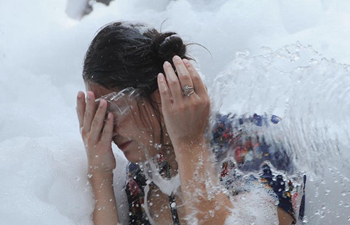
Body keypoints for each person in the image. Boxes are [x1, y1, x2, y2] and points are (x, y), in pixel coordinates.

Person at [76, 21, 305, 225]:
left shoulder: (256, 140)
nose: (108, 129)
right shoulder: (143, 178)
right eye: (96, 115)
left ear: (162, 92)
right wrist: (100, 172)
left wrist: (190, 143)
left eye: (113, 109)